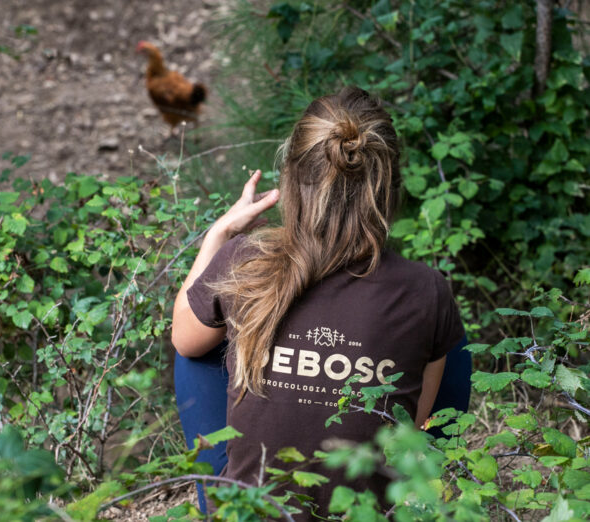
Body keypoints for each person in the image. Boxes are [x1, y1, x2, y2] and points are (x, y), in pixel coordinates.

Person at [171, 86, 469, 519]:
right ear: (389, 188)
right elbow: (410, 420)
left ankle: (220, 502)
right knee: (449, 346)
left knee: (196, 343)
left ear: (291, 178)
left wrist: (219, 237)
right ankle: (422, 498)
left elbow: (182, 338)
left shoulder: (246, 260)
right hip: (363, 511)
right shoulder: (426, 288)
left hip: (252, 512)